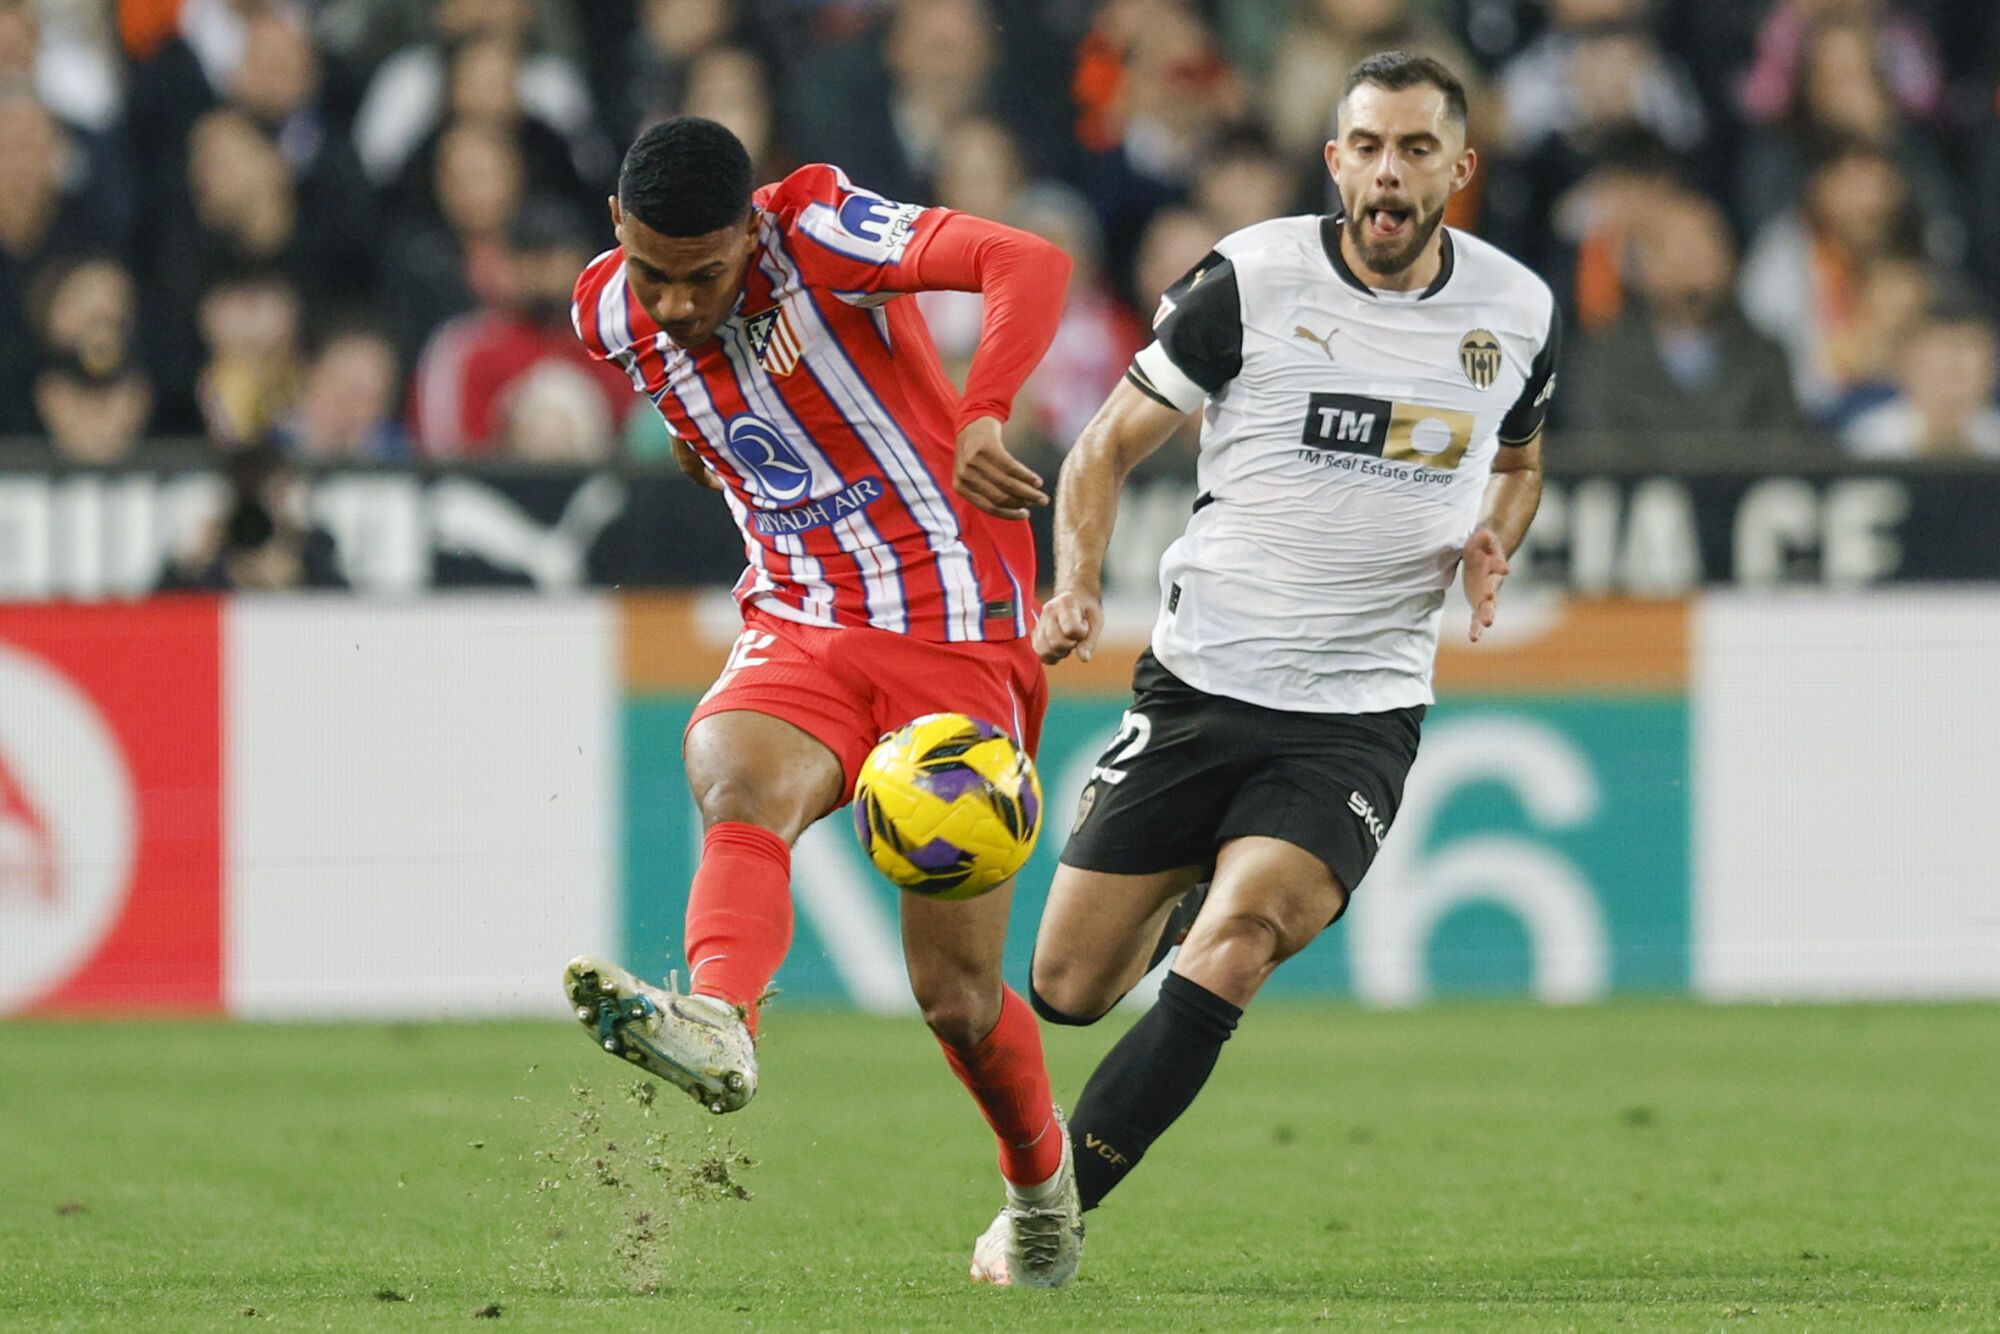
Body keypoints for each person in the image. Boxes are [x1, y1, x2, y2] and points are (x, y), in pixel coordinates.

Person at [1024, 53, 1557, 1230]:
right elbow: (1102, 446)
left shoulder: (1515, 311)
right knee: (1064, 988)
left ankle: (1047, 1213)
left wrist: (1492, 537)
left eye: (1415, 149)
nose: (1386, 171)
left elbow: (1515, 465)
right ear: (1334, 162)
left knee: (1243, 938)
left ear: (1455, 170)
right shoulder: (1250, 279)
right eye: (1365, 145)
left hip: (1356, 712)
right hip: (1203, 681)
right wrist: (1072, 585)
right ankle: (1182, 886)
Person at [562, 117, 1084, 1288]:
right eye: (656, 274)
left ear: (750, 227)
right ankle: (719, 1016)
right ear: (617, 236)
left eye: (707, 275)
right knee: (738, 776)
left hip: (952, 620)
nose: (682, 303)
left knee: (953, 997)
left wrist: (984, 407)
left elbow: (1028, 262)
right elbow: (699, 408)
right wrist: (710, 448)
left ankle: (1039, 1189)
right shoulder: (605, 315)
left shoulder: (818, 229)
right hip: (802, 617)